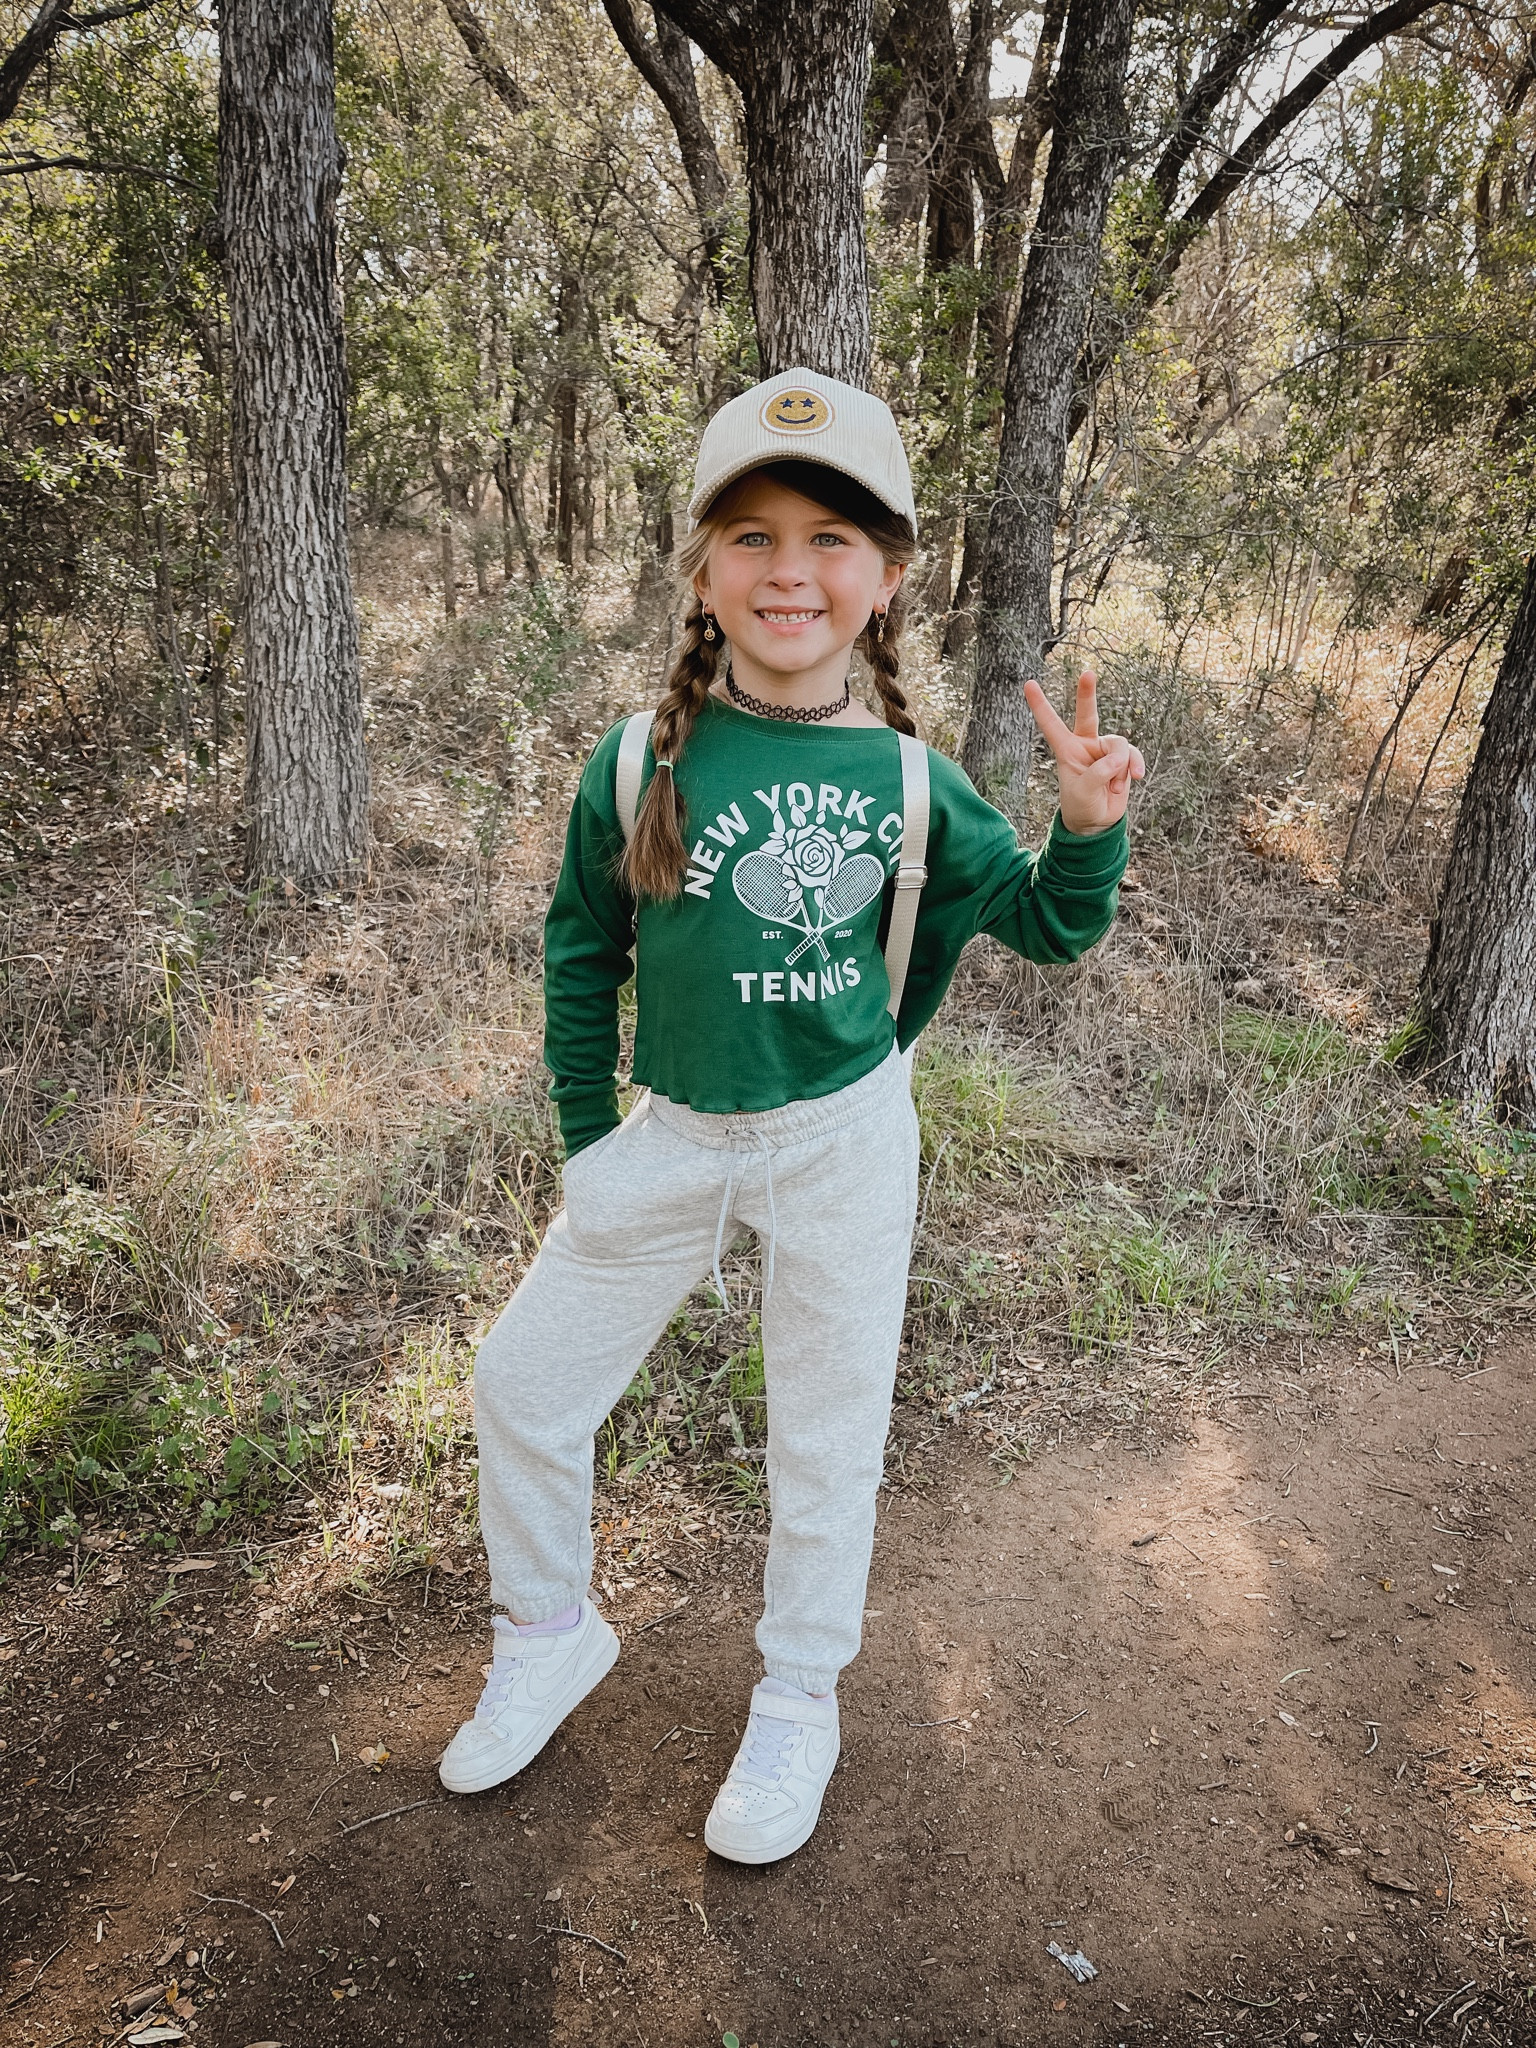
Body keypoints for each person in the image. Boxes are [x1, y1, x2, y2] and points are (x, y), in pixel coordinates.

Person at [438, 367, 1143, 1863]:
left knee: (825, 1435)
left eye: (831, 541)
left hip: (843, 1136)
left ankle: (799, 1694)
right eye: (751, 536)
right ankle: (549, 1632)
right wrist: (585, 1142)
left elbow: (1044, 928)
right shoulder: (643, 761)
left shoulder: (913, 782)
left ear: (885, 580)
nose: (790, 571)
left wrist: (1086, 831)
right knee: (523, 1385)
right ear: (701, 571)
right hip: (674, 1135)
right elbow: (582, 954)